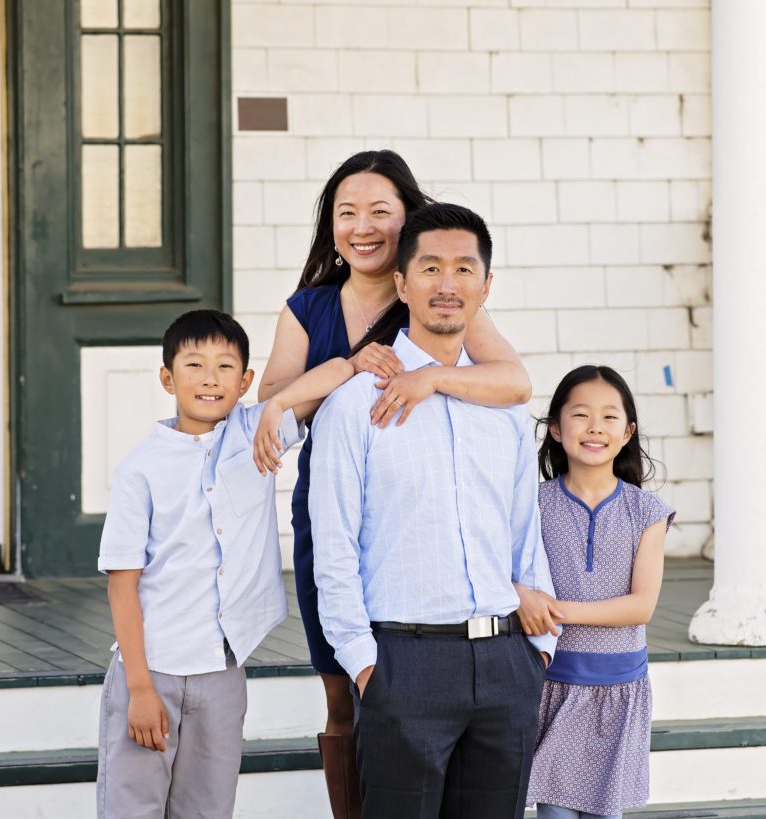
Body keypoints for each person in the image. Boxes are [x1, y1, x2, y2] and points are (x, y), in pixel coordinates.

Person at [252, 150, 532, 817]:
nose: (363, 227)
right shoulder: (311, 307)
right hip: (337, 501)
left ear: (408, 218)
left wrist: (429, 377)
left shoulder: (442, 293)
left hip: (425, 515)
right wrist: (349, 368)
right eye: (347, 212)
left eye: (380, 211)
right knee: (342, 688)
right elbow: (274, 409)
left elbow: (514, 383)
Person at [308, 203, 557, 819]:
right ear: (401, 283)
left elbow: (524, 531)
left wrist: (538, 649)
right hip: (403, 664)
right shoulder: (353, 404)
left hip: (505, 664)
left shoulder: (504, 409)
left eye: (464, 269)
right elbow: (333, 545)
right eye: (430, 268)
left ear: (486, 286)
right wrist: (364, 664)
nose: (448, 284)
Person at [96, 309, 351, 819]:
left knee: (208, 809)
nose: (210, 378)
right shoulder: (140, 470)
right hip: (152, 670)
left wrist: (279, 403)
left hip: (222, 671)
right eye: (194, 365)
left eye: (225, 366)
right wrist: (140, 689)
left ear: (245, 381)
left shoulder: (258, 431)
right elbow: (122, 586)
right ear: (167, 378)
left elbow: (340, 371)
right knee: (133, 808)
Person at [521, 365, 676, 819]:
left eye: (609, 417)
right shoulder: (533, 504)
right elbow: (509, 576)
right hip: (552, 684)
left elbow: (641, 606)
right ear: (555, 428)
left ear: (627, 432)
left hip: (618, 689)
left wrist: (556, 610)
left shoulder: (647, 511)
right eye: (581, 415)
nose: (594, 427)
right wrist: (522, 597)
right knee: (555, 813)